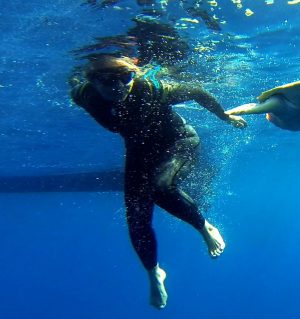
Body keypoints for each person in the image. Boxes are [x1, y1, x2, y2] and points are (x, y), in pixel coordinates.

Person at [70, 55, 246, 309]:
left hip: (179, 141)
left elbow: (197, 91)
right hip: (139, 151)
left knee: (160, 188)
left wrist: (225, 117)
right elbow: (73, 84)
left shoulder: (151, 89)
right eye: (109, 81)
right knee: (136, 217)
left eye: (127, 77)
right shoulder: (84, 95)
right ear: (93, 82)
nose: (120, 86)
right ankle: (154, 273)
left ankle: (204, 227)